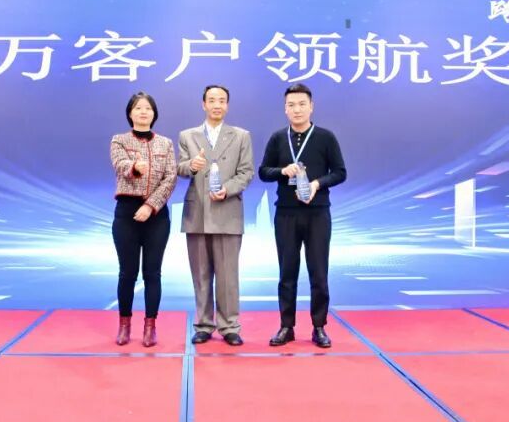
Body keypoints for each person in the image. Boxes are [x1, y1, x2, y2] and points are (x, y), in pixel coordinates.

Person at [258, 83, 346, 348]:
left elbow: (340, 172)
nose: (297, 109)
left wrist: (317, 184)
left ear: (311, 106)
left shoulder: (325, 137)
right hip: (286, 214)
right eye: (291, 105)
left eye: (302, 104)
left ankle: (319, 326)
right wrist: (282, 171)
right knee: (287, 272)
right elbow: (263, 172)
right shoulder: (277, 138)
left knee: (319, 272)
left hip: (318, 214)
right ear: (285, 109)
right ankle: (286, 326)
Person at [177, 85, 254, 346]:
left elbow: (246, 172)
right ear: (203, 104)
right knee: (200, 275)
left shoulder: (241, 136)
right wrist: (191, 165)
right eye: (212, 100)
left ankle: (230, 326)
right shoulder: (187, 136)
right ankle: (203, 324)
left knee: (228, 276)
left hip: (227, 211)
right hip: (197, 212)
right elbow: (180, 168)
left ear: (227, 105)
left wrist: (228, 189)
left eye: (222, 100)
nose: (217, 105)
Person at [109, 92, 177, 347]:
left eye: (148, 108)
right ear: (130, 113)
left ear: (154, 113)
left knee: (153, 273)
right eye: (138, 108)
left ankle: (150, 326)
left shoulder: (165, 144)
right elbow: (120, 165)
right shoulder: (119, 140)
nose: (143, 112)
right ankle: (124, 324)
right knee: (127, 273)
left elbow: (170, 178)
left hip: (156, 215)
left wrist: (150, 205)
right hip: (126, 213)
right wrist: (134, 167)